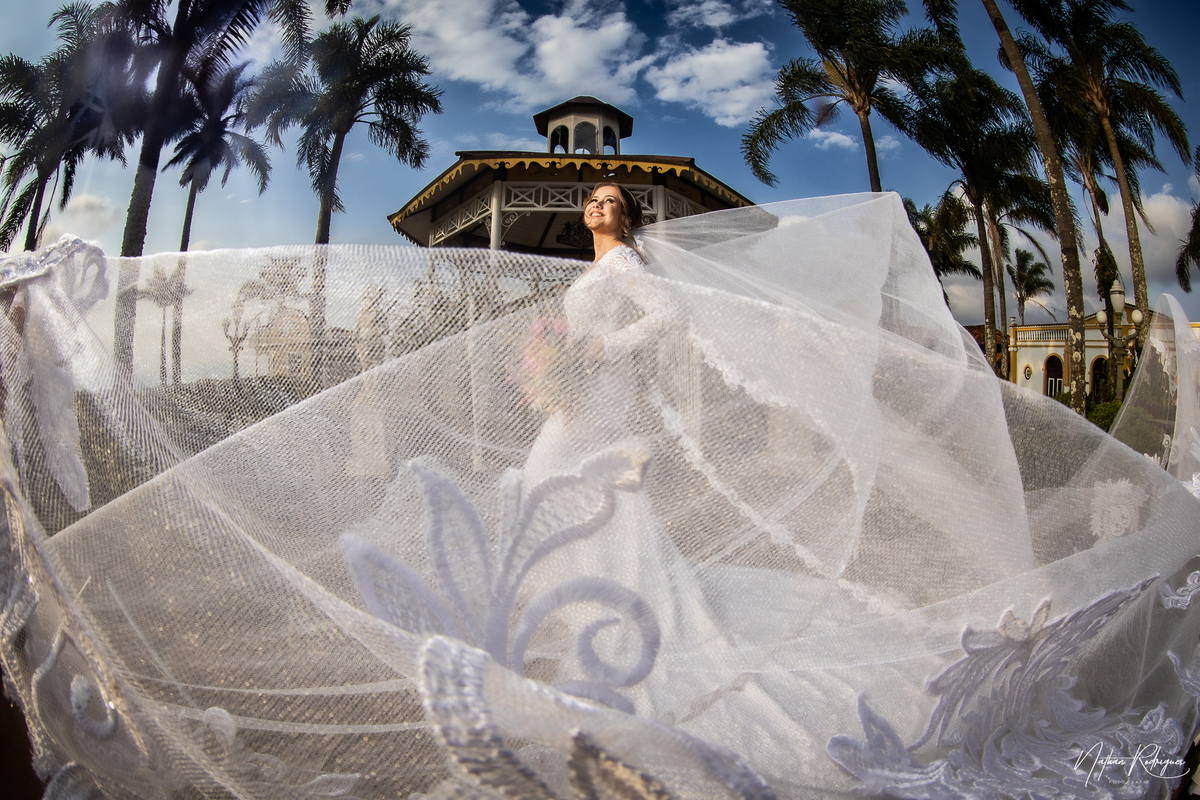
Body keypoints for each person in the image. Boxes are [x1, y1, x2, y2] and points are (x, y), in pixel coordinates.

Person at [2, 194, 1200, 799]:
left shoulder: (629, 268)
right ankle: (569, 631)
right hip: (574, 405)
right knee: (539, 495)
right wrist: (558, 361)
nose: (597, 220)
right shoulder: (587, 270)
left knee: (570, 504)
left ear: (621, 218)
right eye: (593, 214)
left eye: (604, 211)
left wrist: (593, 354)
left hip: (603, 403)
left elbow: (665, 322)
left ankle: (608, 640)